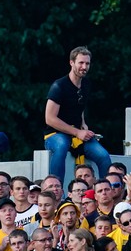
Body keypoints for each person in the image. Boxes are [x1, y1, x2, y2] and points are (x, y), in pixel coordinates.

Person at [43, 46, 111, 185]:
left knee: (103, 156)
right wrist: (77, 132)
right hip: (55, 134)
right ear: (71, 63)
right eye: (81, 63)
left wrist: (83, 124)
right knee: (61, 146)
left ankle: (107, 191)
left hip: (77, 133)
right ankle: (55, 190)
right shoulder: (59, 86)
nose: (84, 67)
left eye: (87, 63)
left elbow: (79, 107)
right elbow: (49, 119)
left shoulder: (86, 84)